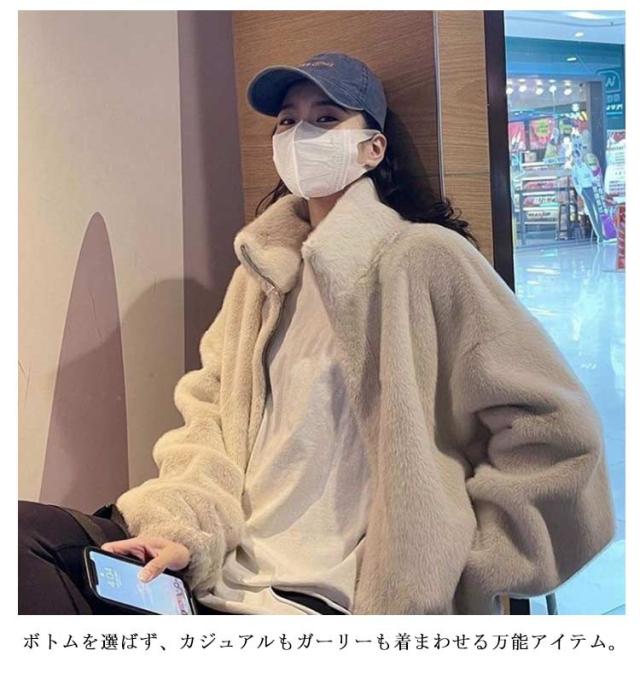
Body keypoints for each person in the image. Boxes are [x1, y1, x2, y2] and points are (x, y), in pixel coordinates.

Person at [19, 52, 616, 616]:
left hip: (329, 594)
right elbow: (209, 418)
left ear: (372, 148)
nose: (300, 135)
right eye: (288, 121)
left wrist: (454, 568)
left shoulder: (424, 259)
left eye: (325, 118)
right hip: (219, 566)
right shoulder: (261, 275)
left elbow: (556, 433)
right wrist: (184, 530)